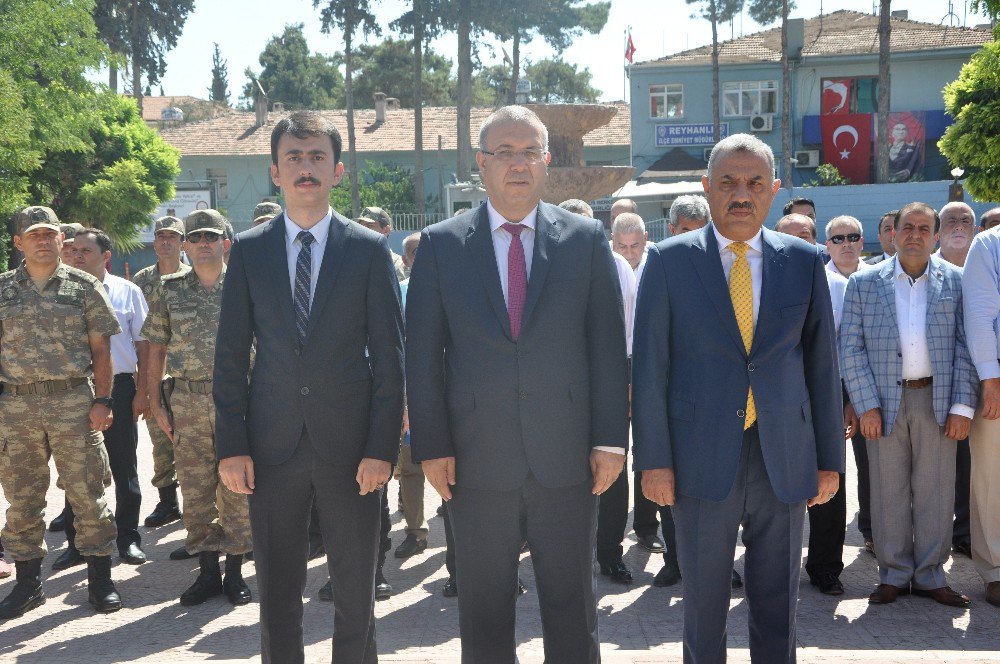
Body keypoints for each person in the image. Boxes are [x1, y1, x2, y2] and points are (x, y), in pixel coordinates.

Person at [406, 105, 629, 663]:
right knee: (483, 611)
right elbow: (423, 357)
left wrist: (609, 439)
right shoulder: (441, 245)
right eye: (504, 152)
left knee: (572, 608)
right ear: (481, 164)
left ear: (548, 161)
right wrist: (431, 446)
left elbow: (606, 347)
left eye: (530, 151)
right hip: (476, 459)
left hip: (567, 457)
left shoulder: (584, 239)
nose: (519, 163)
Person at [633, 133, 843, 663]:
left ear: (774, 190)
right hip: (700, 456)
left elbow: (821, 368)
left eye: (754, 183)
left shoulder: (803, 261)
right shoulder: (668, 261)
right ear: (707, 188)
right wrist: (653, 460)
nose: (741, 194)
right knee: (703, 604)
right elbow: (650, 370)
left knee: (778, 603)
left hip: (784, 455)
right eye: (727, 182)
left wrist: (828, 462)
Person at [214, 111, 404, 663]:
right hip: (271, 448)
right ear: (274, 171)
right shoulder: (248, 251)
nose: (305, 168)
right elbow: (229, 358)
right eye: (294, 157)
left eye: (317, 156)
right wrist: (232, 444)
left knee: (355, 591)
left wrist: (381, 449)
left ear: (338, 171)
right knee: (277, 593)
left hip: (352, 451)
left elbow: (391, 361)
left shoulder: (368, 251)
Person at [840, 202, 976, 608]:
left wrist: (962, 406)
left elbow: (967, 347)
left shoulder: (956, 281)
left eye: (924, 228)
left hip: (937, 398)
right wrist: (865, 404)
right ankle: (894, 575)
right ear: (893, 234)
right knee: (887, 491)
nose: (915, 234)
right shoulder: (864, 283)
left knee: (936, 491)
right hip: (882, 403)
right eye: (907, 227)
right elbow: (850, 347)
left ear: (935, 236)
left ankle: (932, 575)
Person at [0, 206, 123, 618]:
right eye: (32, 234)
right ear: (18, 242)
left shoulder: (84, 287)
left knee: (88, 493)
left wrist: (103, 400)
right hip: (16, 406)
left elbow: (101, 350)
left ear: (60, 241)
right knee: (22, 499)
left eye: (48, 233)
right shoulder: (2, 290)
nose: (41, 240)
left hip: (74, 403)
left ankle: (101, 581)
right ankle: (28, 585)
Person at [143, 209, 253, 607]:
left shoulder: (244, 285)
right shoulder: (169, 289)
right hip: (186, 400)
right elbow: (156, 348)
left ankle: (237, 571)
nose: (203, 243)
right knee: (195, 487)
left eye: (212, 236)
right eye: (196, 237)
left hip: (237, 400)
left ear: (226, 243)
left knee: (238, 486)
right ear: (185, 246)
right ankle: (208, 572)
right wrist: (154, 400)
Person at [54, 229, 149, 570]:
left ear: (105, 256)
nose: (77, 255)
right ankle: (77, 544)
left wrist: (143, 391)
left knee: (124, 466)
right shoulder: (60, 291)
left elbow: (143, 345)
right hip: (73, 390)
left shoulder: (128, 292)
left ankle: (127, 538)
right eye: (73, 249)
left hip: (120, 388)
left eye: (86, 250)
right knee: (75, 468)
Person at [775, 213, 851, 596]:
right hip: (778, 404)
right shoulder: (760, 283)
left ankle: (825, 567)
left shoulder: (836, 284)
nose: (797, 244)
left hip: (824, 400)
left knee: (828, 484)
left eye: (805, 236)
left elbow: (846, 351)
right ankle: (772, 567)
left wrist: (848, 403)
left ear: (817, 242)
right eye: (788, 236)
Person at [564, 198, 638, 586]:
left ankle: (610, 553)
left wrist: (626, 382)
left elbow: (628, 332)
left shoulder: (618, 266)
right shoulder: (543, 266)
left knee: (611, 465)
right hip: (557, 390)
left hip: (608, 381)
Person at [962, 222, 1000, 608]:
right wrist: (990, 378)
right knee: (993, 477)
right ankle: (996, 570)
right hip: (998, 375)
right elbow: (979, 314)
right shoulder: (991, 243)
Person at [936, 202, 977, 560]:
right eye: (951, 220)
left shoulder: (986, 268)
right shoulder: (925, 269)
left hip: (982, 383)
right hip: (934, 385)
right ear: (938, 229)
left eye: (966, 220)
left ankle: (964, 532)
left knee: (970, 465)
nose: (959, 226)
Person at [394, 231, 430, 561]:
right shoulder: (398, 293)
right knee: (409, 468)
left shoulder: (454, 288)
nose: (422, 257)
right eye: (416, 252)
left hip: (445, 392)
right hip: (409, 391)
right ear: (405, 260)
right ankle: (416, 531)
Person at [358, 206, 408, 281]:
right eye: (360, 227)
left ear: (386, 230)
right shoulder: (356, 264)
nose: (363, 232)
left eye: (369, 226)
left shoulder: (398, 266)